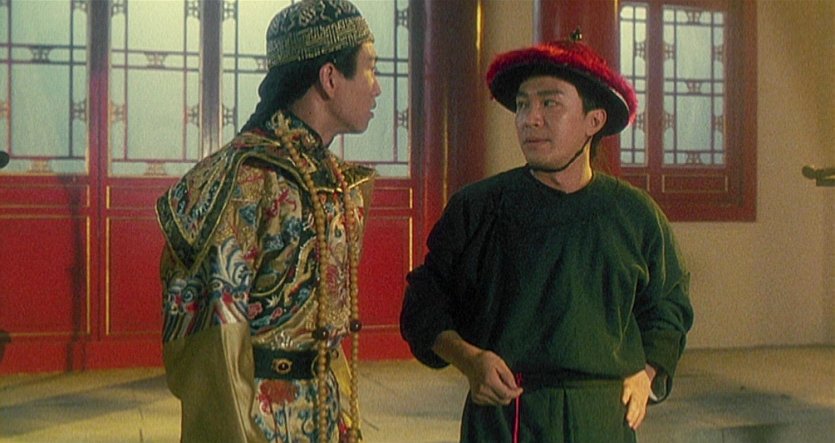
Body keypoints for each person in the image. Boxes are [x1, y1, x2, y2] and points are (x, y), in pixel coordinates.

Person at [400, 31, 694, 443]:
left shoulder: (635, 215)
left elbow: (669, 305)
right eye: (522, 104)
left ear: (594, 121)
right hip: (506, 416)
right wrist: (469, 360)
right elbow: (423, 303)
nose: (529, 118)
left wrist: (647, 372)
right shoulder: (478, 208)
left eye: (549, 103)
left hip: (603, 418)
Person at [155, 1, 380, 442]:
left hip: (324, 412)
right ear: (330, 77)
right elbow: (214, 347)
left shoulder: (334, 178)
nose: (377, 88)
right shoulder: (243, 178)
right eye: (370, 69)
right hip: (256, 421)